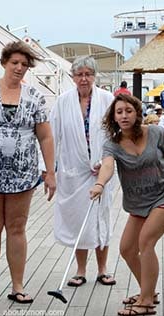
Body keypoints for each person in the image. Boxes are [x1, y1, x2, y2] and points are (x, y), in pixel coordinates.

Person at [0, 41, 57, 307]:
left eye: (24, 64)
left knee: (17, 228)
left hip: (22, 176)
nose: (19, 68)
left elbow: (45, 136)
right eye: (15, 62)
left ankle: (18, 286)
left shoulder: (35, 97)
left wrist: (50, 172)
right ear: (4, 63)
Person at [91, 93, 164, 316]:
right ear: (113, 117)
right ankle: (148, 291)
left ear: (137, 113)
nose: (124, 116)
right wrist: (99, 184)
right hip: (139, 201)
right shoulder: (112, 145)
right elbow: (107, 166)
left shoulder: (156, 133)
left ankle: (146, 301)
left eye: (128, 111)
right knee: (127, 249)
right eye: (119, 112)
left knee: (146, 241)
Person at [53, 56, 119, 287]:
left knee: (102, 218)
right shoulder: (63, 102)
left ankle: (102, 269)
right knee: (78, 219)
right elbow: (53, 135)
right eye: (79, 74)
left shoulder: (107, 99)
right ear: (73, 77)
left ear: (94, 76)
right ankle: (80, 270)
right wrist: (48, 170)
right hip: (73, 170)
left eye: (88, 74)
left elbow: (116, 134)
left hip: (102, 169)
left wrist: (108, 160)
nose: (84, 78)